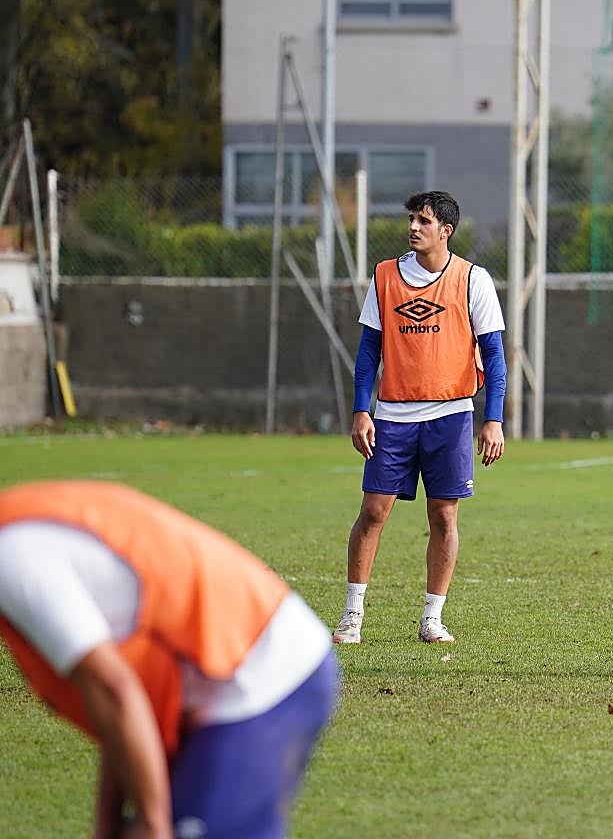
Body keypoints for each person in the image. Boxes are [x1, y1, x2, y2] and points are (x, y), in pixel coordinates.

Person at [0, 479, 339, 838]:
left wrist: (152, 821)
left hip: (260, 676)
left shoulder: (12, 558)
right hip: (255, 661)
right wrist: (110, 824)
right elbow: (123, 702)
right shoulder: (21, 531)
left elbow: (115, 690)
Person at [333, 190, 507, 646]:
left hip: (450, 415)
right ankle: (353, 613)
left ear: (445, 231)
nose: (413, 227)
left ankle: (433, 616)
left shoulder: (474, 280)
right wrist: (361, 410)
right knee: (373, 512)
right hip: (392, 416)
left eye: (423, 221)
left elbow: (494, 353)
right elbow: (369, 350)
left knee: (444, 518)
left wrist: (494, 419)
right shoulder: (385, 276)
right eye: (411, 218)